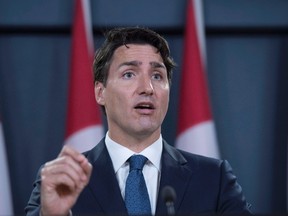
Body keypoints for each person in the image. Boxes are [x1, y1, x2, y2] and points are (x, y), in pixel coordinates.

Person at [25, 26, 252, 216]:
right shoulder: (62, 181)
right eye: (129, 74)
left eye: (157, 76)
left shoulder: (214, 178)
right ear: (100, 92)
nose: (147, 88)